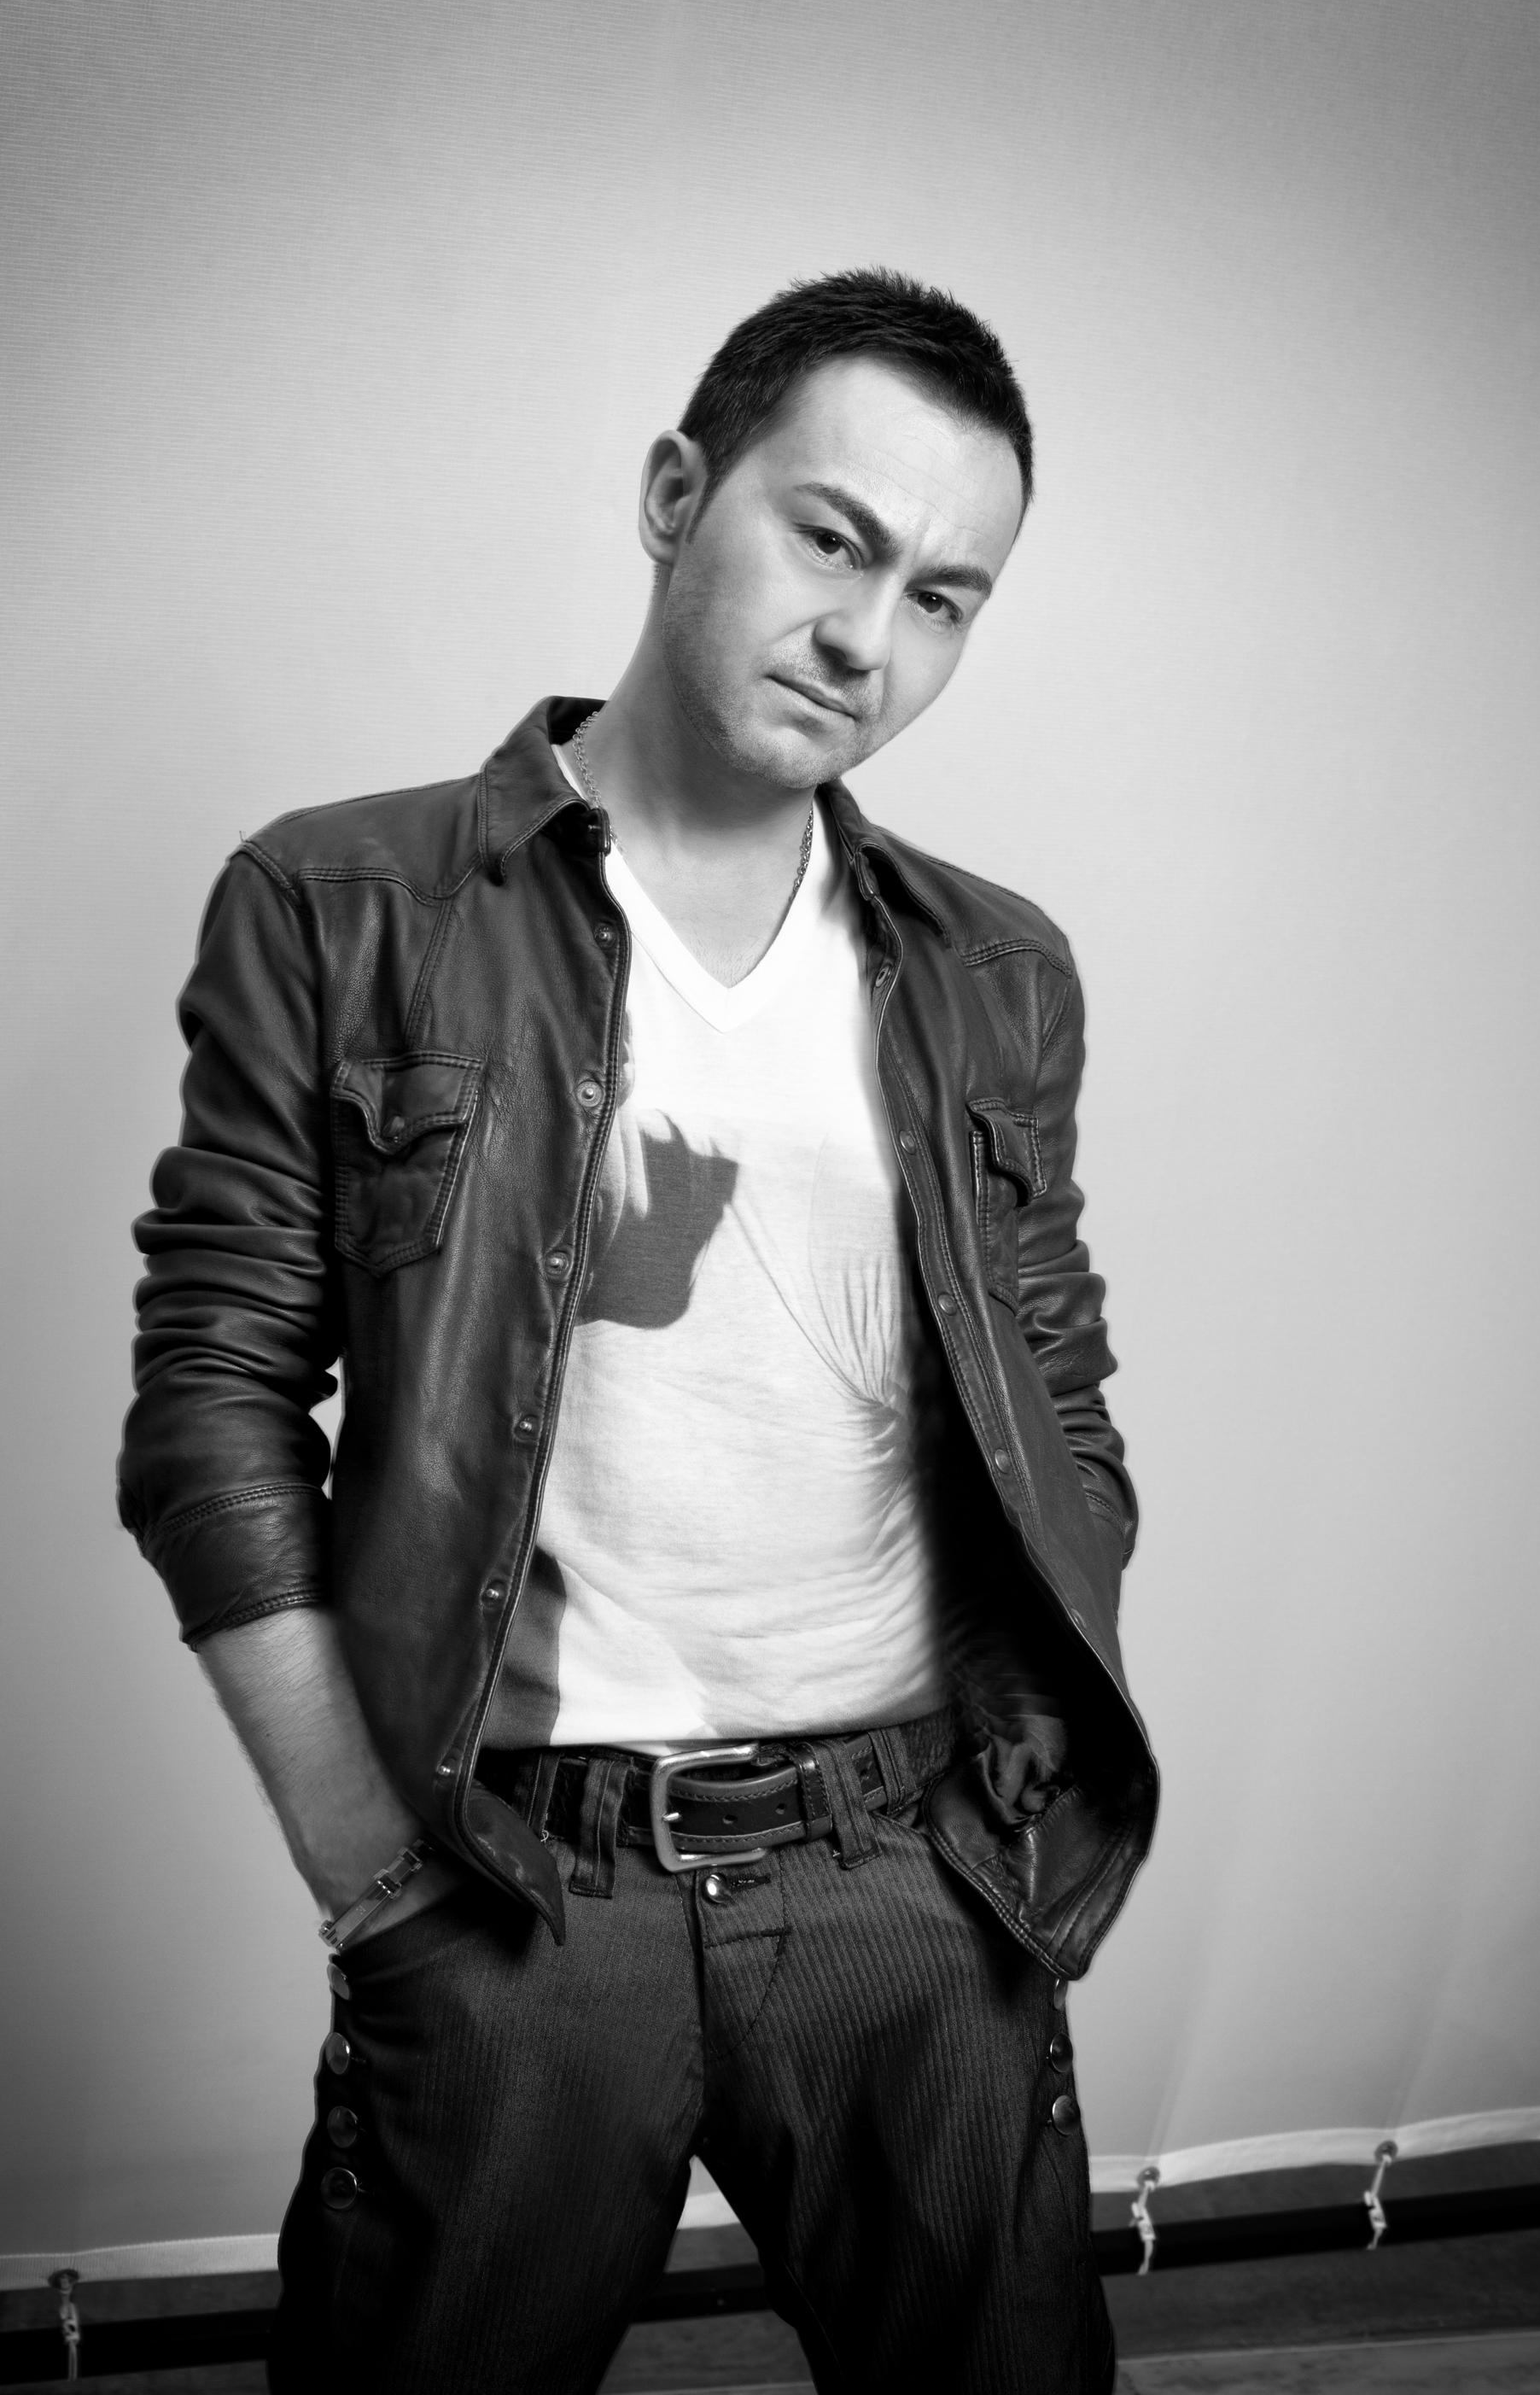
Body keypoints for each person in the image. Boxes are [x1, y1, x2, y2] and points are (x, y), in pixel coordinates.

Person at [118, 266, 1158, 2395]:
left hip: (910, 1877)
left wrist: (1011, 1808)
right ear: (682, 493)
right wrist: (363, 1861)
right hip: (516, 1885)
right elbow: (214, 1396)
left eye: (945, 598)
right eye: (833, 539)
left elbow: (1056, 1387)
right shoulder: (345, 906)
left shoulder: (996, 970)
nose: (868, 640)